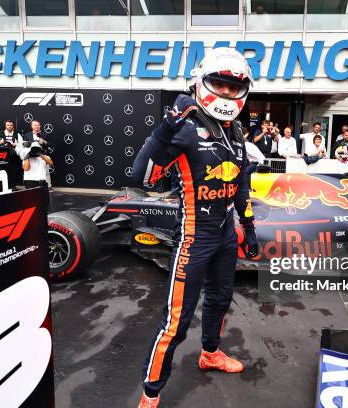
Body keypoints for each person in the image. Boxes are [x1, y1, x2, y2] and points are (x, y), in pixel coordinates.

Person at [132, 47, 258, 408]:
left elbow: (240, 185)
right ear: (202, 83)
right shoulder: (185, 126)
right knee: (176, 323)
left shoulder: (235, 133)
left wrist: (247, 227)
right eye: (220, 85)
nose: (228, 94)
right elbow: (141, 178)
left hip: (224, 234)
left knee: (219, 300)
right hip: (193, 235)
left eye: (235, 88)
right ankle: (150, 395)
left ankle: (210, 354)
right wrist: (165, 126)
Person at [23, 120, 53, 188]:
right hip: (31, 156)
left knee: (46, 171)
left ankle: (48, 186)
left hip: (43, 155)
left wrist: (44, 142)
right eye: (35, 125)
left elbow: (51, 144)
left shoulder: (45, 134)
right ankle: (34, 185)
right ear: (32, 126)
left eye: (38, 125)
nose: (37, 126)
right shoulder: (27, 135)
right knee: (32, 170)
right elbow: (24, 145)